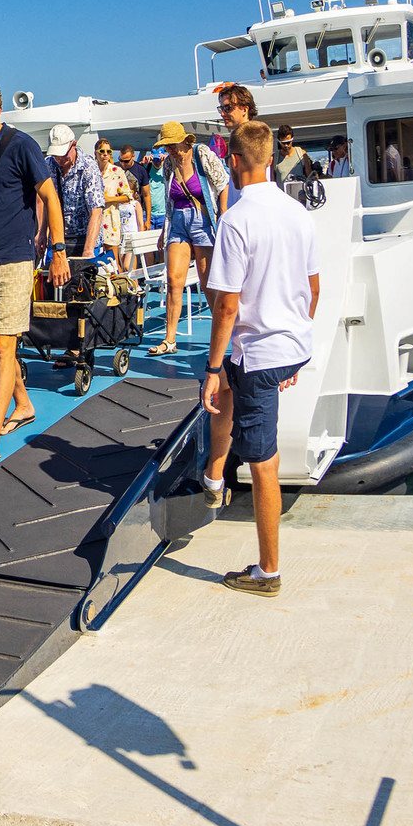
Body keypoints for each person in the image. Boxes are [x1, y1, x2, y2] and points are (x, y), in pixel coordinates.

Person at [201, 122, 320, 596]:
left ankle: (267, 572)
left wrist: (210, 370)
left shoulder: (236, 220)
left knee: (263, 461)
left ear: (232, 162)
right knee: (235, 381)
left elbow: (227, 306)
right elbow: (313, 290)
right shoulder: (298, 213)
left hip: (259, 353)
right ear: (270, 159)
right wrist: (289, 357)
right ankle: (214, 477)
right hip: (292, 345)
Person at [0, 80, 67, 465]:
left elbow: (49, 197)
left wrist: (58, 251)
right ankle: (22, 404)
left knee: (5, 347)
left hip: (16, 259)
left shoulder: (22, 146)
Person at [151, 122, 228, 355]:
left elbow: (222, 183)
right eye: (167, 146)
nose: (171, 150)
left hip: (202, 220)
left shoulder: (201, 154)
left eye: (173, 146)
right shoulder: (167, 165)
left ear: (185, 141)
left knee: (207, 282)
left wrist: (223, 215)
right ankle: (170, 339)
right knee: (174, 280)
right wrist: (165, 230)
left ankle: (221, 333)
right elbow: (168, 198)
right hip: (178, 222)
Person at [46, 126, 104, 259]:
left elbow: (96, 212)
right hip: (57, 239)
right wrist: (42, 233)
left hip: (85, 238)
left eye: (63, 154)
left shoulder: (89, 167)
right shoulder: (48, 165)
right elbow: (43, 203)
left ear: (74, 145)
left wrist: (88, 250)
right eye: (55, 155)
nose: (59, 159)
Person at [95, 142, 137, 272]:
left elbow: (128, 196)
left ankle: (118, 289)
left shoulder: (116, 171)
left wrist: (109, 199)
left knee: (113, 261)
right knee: (94, 261)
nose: (105, 154)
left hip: (110, 220)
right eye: (102, 151)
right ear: (96, 153)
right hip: (93, 220)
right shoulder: (91, 170)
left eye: (109, 152)